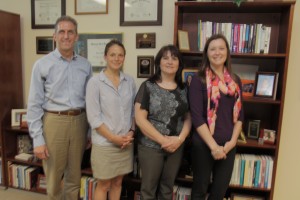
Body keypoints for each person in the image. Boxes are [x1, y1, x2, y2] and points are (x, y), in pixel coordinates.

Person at [27, 16, 92, 200]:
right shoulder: (42, 65)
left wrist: (89, 132)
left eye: (70, 32)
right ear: (54, 36)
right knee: (54, 177)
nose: (66, 36)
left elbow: (89, 102)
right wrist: (37, 139)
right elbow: (34, 104)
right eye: (61, 32)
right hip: (54, 122)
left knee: (74, 176)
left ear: (76, 36)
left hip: (79, 122)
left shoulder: (85, 65)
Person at [188, 34, 244, 200]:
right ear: (207, 53)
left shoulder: (235, 81)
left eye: (221, 48)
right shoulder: (198, 80)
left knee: (219, 192)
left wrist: (232, 142)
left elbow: (240, 114)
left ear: (227, 51)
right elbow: (197, 117)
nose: (217, 52)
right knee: (199, 190)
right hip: (204, 145)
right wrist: (214, 147)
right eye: (212, 49)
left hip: (228, 146)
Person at [135, 44, 192, 200]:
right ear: (158, 62)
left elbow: (188, 117)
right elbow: (140, 119)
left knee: (167, 189)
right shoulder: (147, 86)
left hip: (176, 147)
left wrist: (179, 140)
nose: (170, 61)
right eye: (165, 58)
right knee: (148, 190)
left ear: (179, 63)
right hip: (150, 146)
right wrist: (162, 140)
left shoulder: (184, 89)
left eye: (174, 58)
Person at [86, 39, 136, 200]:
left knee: (117, 182)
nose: (117, 58)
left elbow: (133, 112)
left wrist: (131, 131)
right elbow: (94, 118)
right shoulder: (95, 82)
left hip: (125, 143)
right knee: (104, 184)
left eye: (120, 55)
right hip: (105, 144)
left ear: (124, 58)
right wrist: (114, 138)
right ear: (105, 57)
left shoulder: (129, 81)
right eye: (113, 54)